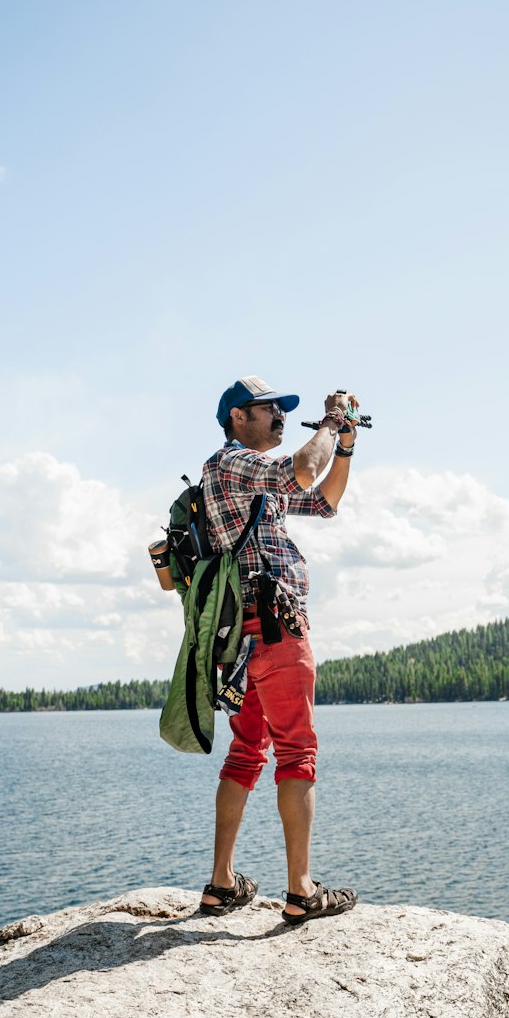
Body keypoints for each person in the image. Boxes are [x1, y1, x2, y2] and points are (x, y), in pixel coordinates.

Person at [197, 375, 361, 927]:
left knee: (246, 752)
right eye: (270, 409)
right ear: (237, 417)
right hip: (276, 629)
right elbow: (302, 470)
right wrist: (333, 420)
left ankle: (222, 884)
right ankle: (301, 891)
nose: (281, 417)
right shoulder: (231, 464)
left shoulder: (253, 482)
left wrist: (346, 444)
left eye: (285, 411)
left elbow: (324, 499)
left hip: (239, 645)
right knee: (297, 752)